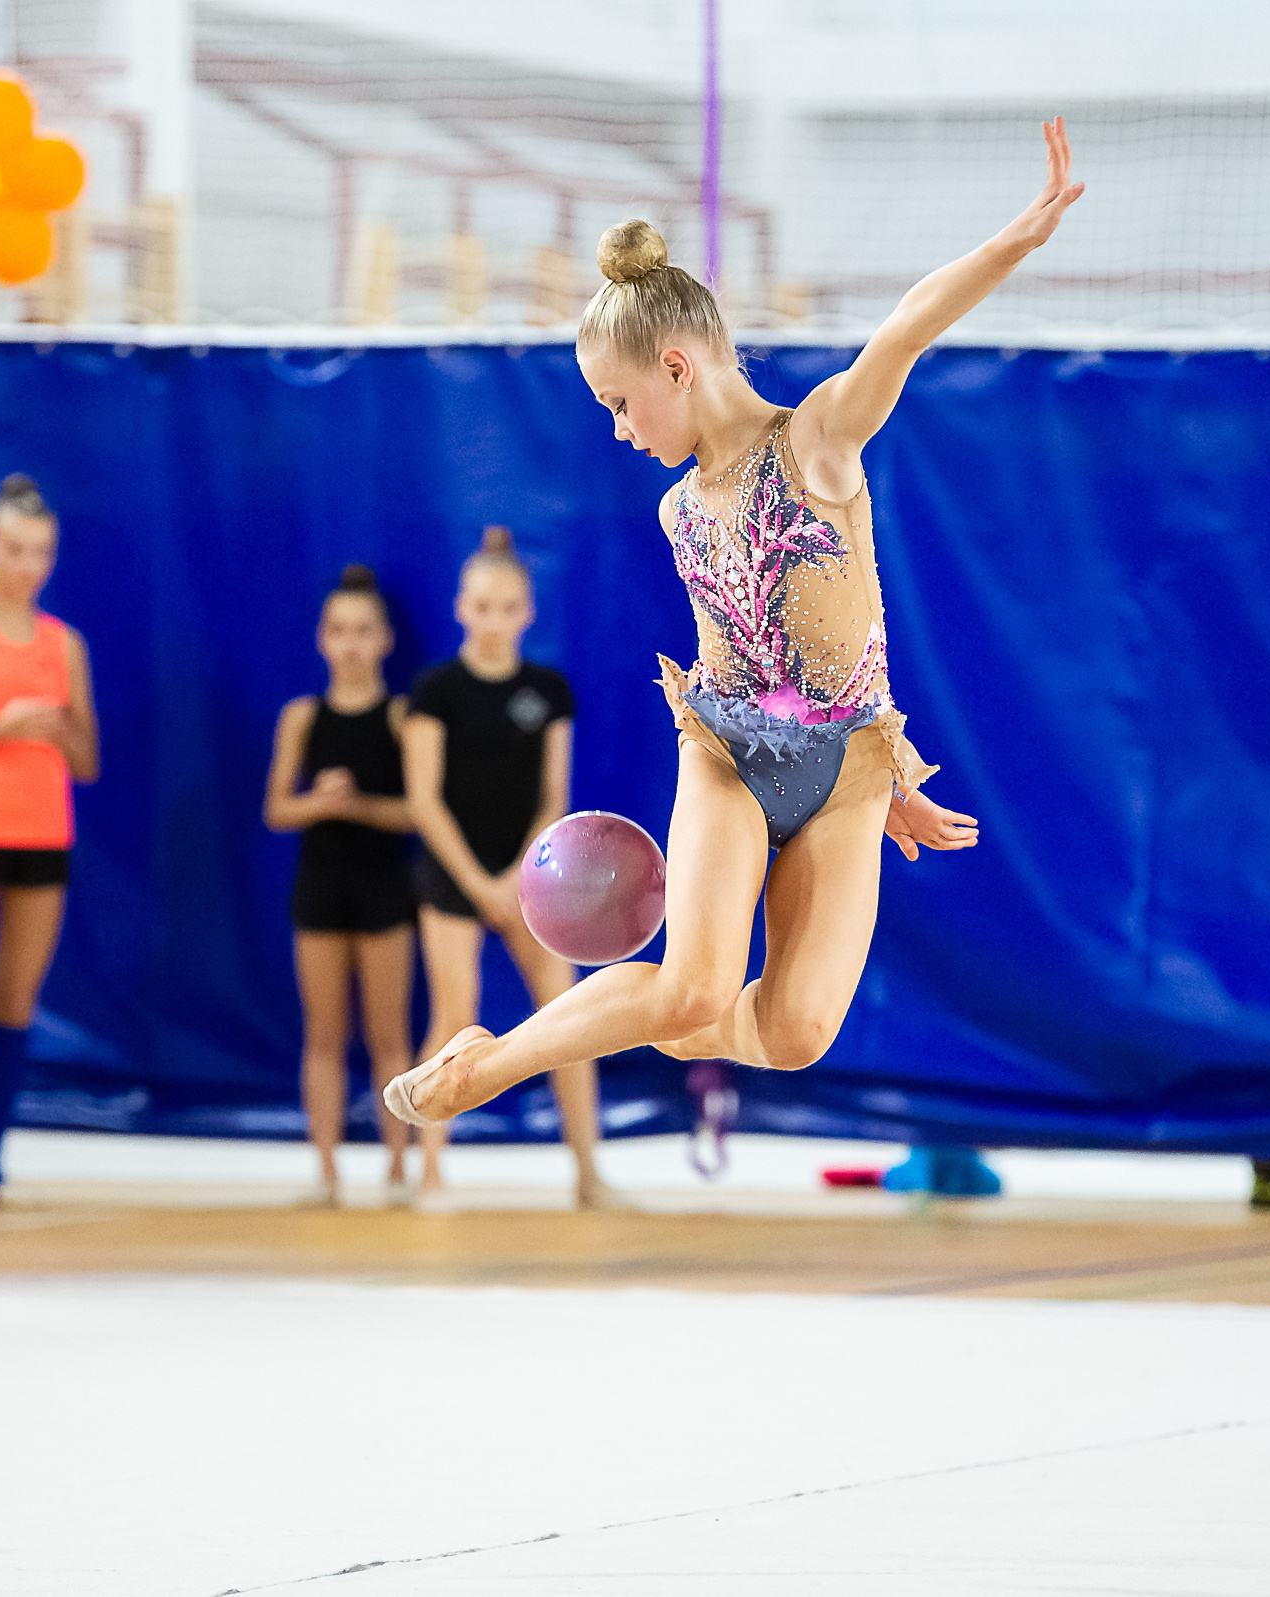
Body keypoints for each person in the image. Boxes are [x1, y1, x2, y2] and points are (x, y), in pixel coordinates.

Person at [383, 117, 1083, 1127]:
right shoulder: (680, 508)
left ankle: (648, 1013)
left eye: (620, 403)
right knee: (694, 989)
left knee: (796, 1032)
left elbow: (904, 330)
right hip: (729, 754)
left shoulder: (818, 443)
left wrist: (1016, 240)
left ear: (677, 367)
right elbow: (752, 652)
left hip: (848, 769)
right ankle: (485, 1064)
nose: (620, 431)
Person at [400, 528, 612, 1209]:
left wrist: (519, 875)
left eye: (508, 608)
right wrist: (477, 883)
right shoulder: (435, 690)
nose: (493, 621)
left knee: (568, 1017)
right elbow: (424, 799)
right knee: (453, 1014)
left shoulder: (547, 690)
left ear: (528, 613)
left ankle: (588, 1174)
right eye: (482, 607)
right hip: (454, 875)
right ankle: (431, 1172)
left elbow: (553, 796)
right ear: (461, 608)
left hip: (531, 874)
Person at [0, 474, 100, 1206]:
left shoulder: (64, 645)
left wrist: (57, 730)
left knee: (16, 1001)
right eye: (14, 549)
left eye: (41, 552)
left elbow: (87, 761)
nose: (28, 565)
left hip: (41, 839)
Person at [263, 566, 417, 1207]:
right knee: (323, 1036)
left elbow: (418, 812)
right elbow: (277, 809)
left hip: (384, 888)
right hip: (320, 889)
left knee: (389, 1038)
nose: (350, 645)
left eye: (363, 631)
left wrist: (357, 805)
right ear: (322, 639)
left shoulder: (402, 717)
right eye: (338, 631)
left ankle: (399, 1170)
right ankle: (325, 1171)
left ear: (384, 640)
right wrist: (321, 803)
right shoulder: (302, 717)